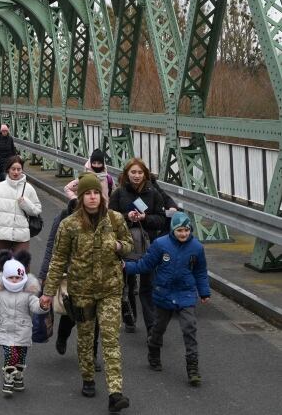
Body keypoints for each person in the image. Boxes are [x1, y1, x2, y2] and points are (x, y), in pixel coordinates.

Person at [40, 173, 133, 413]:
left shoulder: (115, 219)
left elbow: (129, 244)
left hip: (110, 289)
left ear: (102, 197)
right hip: (81, 290)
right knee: (85, 336)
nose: (92, 198)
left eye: (96, 193)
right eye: (87, 194)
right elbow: (58, 259)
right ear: (81, 198)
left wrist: (120, 246)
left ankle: (115, 392)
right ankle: (88, 377)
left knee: (111, 338)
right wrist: (48, 292)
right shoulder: (69, 224)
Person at [124, 212, 210, 386]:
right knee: (158, 328)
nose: (183, 234)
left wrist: (204, 292)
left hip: (185, 293)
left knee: (189, 328)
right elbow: (146, 264)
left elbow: (200, 272)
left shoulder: (197, 248)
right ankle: (153, 350)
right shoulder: (160, 244)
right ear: (173, 230)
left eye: (186, 230)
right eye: (180, 230)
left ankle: (192, 367)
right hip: (164, 293)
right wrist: (126, 267)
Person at [0, 250, 48, 395]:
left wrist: (43, 305)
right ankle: (8, 378)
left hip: (22, 330)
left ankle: (18, 376)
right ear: (5, 277)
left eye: (17, 277)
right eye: (11, 277)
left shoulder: (28, 292)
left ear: (23, 276)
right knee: (11, 354)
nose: (14, 280)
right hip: (4, 329)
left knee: (20, 356)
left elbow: (35, 306)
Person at [39, 198, 102, 371]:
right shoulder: (63, 218)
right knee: (72, 312)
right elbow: (52, 246)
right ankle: (63, 335)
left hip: (95, 275)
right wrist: (45, 274)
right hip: (71, 274)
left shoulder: (102, 216)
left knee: (94, 317)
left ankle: (92, 356)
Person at [109, 158, 167, 334]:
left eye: (140, 172)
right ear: (127, 174)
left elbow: (161, 220)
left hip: (148, 244)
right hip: (126, 244)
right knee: (127, 282)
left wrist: (145, 218)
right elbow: (110, 219)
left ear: (145, 174)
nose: (136, 176)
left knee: (147, 285)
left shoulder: (153, 194)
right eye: (133, 172)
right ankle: (130, 317)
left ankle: (151, 327)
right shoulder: (119, 194)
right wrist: (127, 217)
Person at [0, 156, 42, 266]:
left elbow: (37, 210)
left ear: (22, 170)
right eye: (13, 169)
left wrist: (26, 204)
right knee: (3, 270)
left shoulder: (28, 188)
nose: (16, 172)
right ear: (8, 170)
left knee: (22, 268)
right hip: (0, 235)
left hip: (21, 236)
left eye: (19, 169)